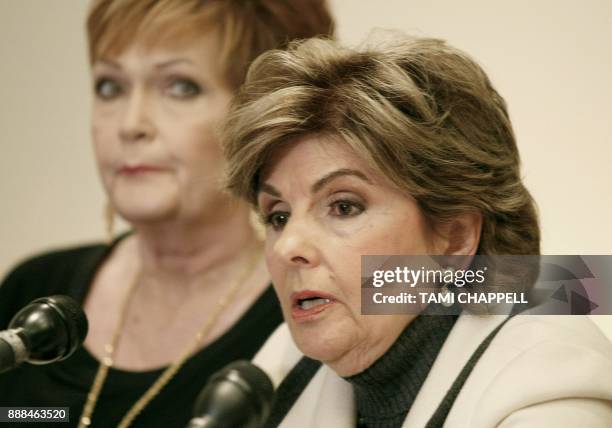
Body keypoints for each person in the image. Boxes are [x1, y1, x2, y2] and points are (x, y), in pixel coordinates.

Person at [222, 36, 612, 427]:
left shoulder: (550, 385)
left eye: (343, 207)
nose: (289, 245)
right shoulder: (284, 365)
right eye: (278, 216)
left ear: (456, 239)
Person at [0, 1, 334, 427]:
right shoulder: (33, 290)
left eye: (180, 86)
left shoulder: (307, 315)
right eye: (110, 87)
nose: (131, 123)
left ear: (259, 115)